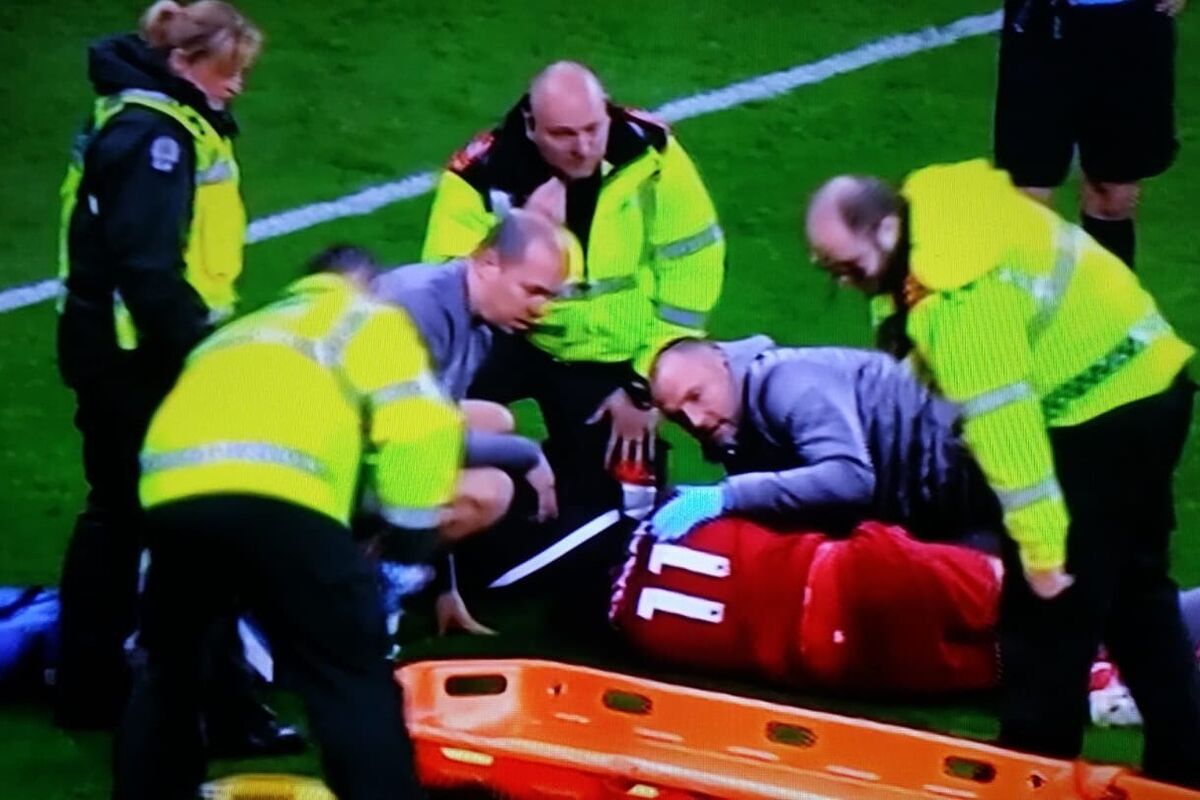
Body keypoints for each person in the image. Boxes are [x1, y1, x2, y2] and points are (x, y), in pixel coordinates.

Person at [805, 159, 1200, 787]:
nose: (839, 279)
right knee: (1135, 589)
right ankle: (1185, 760)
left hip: (1098, 413)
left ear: (884, 229)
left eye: (844, 265)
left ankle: (1029, 769)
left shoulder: (960, 301)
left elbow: (1009, 433)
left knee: (1048, 612)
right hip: (1149, 380)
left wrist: (1042, 554)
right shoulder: (939, 214)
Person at [113, 247, 466, 800]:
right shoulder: (364, 319)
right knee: (349, 677)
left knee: (168, 674)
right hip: (287, 506)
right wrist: (407, 543)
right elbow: (423, 430)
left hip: (174, 504)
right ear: (366, 285)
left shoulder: (231, 336)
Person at [53, 0, 284, 748]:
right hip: (140, 358)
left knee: (120, 519)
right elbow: (149, 269)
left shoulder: (148, 119)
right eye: (228, 71)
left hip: (115, 349)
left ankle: (89, 686)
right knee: (190, 523)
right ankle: (218, 707)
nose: (237, 86)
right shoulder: (155, 136)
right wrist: (200, 353)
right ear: (183, 63)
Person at [422, 61, 725, 509]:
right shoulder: (482, 177)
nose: (583, 148)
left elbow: (693, 263)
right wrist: (526, 227)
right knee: (429, 428)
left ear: (607, 112)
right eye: (563, 134)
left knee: (628, 503)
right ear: (531, 126)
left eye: (592, 129)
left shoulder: (650, 154)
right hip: (510, 334)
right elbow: (448, 285)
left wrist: (642, 386)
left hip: (609, 354)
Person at [645, 336, 1000, 547]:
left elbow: (850, 477)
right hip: (928, 506)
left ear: (722, 362)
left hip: (979, 477)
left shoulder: (786, 383)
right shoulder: (730, 429)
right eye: (678, 416)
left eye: (696, 396)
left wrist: (728, 496)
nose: (695, 420)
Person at [613, 517, 1001, 694]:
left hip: (826, 652)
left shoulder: (641, 636)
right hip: (853, 571)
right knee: (1008, 586)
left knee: (1003, 666)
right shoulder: (678, 518)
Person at [993, 0, 1186, 269]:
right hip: (1042, 24)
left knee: (1114, 196)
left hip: (1132, 27)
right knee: (1029, 191)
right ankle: (1027, 293)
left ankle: (1108, 294)